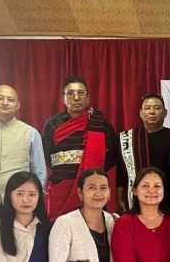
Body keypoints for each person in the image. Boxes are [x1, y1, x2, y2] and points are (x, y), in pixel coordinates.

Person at [42, 76, 119, 220]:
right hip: (61, 189)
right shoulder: (52, 124)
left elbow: (112, 159)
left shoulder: (101, 125)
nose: (76, 98)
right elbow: (46, 157)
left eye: (80, 93)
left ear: (88, 97)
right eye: (70, 93)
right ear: (62, 98)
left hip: (92, 190)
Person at [118, 94, 170, 212]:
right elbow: (121, 173)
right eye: (147, 108)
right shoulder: (127, 138)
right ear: (141, 113)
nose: (152, 112)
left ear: (165, 113)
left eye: (157, 108)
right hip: (137, 200)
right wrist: (120, 198)